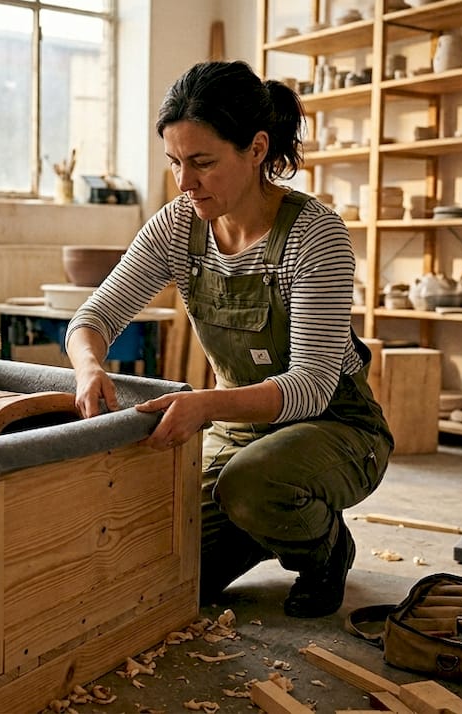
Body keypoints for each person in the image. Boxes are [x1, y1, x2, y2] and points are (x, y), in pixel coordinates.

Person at [65, 60, 393, 618]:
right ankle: (261, 520)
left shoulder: (316, 235)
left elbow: (312, 388)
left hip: (334, 426)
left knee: (252, 484)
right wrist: (89, 368)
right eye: (174, 163)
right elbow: (91, 318)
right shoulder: (177, 225)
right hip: (240, 432)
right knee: (164, 576)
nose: (185, 182)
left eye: (203, 163)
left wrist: (203, 405)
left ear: (257, 149)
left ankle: (325, 549)